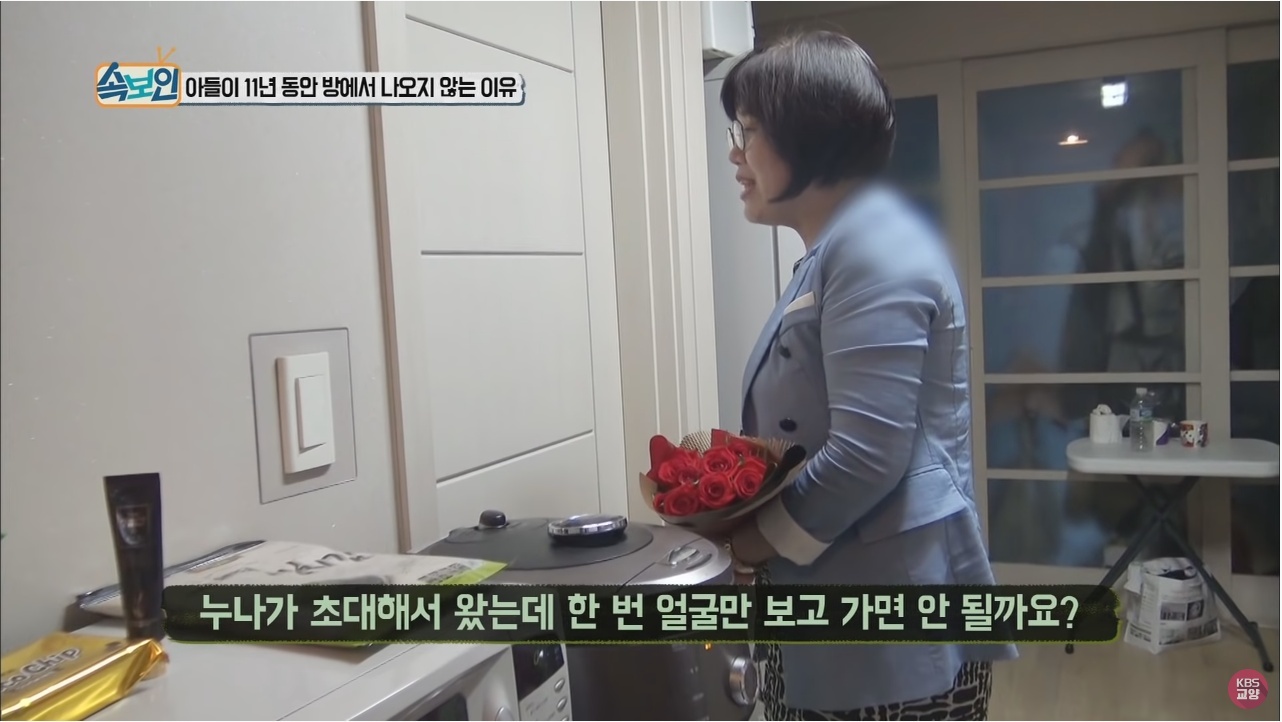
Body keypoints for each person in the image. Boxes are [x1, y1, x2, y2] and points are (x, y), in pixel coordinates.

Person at [717, 32, 1018, 721]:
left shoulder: (871, 248)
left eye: (749, 131)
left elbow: (866, 454)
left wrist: (749, 544)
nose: (735, 154)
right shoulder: (835, 252)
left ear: (810, 135)